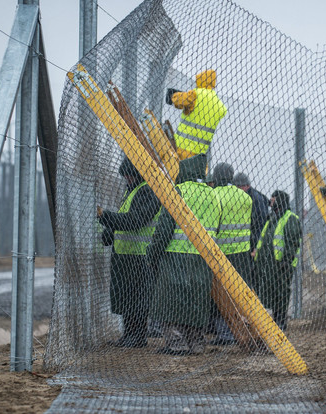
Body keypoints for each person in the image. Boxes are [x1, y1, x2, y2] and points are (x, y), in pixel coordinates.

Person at [147, 154, 222, 355]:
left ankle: (176, 344)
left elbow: (164, 228)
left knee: (170, 302)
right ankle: (196, 344)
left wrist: (152, 255)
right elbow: (219, 228)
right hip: (203, 259)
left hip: (175, 257)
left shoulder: (178, 192)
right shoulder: (214, 195)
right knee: (196, 302)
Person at [97, 158, 161, 347]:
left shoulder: (148, 191)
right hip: (125, 255)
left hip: (140, 256)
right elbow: (124, 217)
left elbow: (135, 221)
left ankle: (138, 337)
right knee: (126, 298)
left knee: (137, 299)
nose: (127, 177)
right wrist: (109, 233)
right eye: (125, 174)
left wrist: (105, 217)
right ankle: (129, 335)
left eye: (130, 174)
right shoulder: (131, 190)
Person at [209, 163, 253, 345]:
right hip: (241, 253)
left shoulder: (214, 195)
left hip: (220, 254)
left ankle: (225, 334)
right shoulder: (245, 197)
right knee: (239, 294)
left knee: (221, 295)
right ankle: (243, 331)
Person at [253, 190, 301, 330]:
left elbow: (292, 242)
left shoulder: (290, 218)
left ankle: (281, 321)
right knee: (270, 292)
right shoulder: (272, 218)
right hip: (268, 264)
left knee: (281, 292)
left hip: (281, 264)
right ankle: (274, 320)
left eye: (273, 200)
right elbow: (264, 239)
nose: (271, 202)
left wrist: (286, 261)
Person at [167, 70, 228, 160]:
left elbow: (179, 101)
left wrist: (173, 95)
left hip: (182, 148)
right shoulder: (219, 105)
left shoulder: (196, 94)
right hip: (200, 155)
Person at [233, 172, 269, 255]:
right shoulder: (251, 196)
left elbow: (261, 223)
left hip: (252, 241)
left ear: (245, 186)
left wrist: (256, 245)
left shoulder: (255, 199)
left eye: (237, 187)